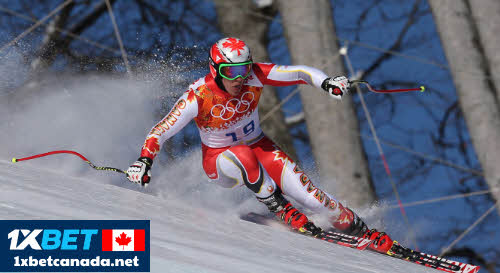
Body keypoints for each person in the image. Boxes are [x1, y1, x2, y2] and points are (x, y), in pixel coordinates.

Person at [127, 37, 394, 253]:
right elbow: (161, 130)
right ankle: (281, 208)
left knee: (312, 195)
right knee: (243, 155)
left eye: (243, 69)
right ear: (215, 70)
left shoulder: (254, 75)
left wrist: (326, 82)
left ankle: (359, 229)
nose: (239, 78)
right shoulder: (199, 95)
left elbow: (298, 72)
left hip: (260, 147)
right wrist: (145, 160)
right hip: (220, 162)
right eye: (230, 71)